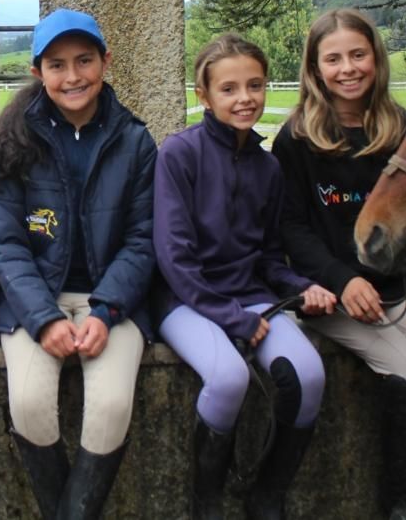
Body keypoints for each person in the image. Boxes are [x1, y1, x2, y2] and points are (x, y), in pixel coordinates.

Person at [272, 9, 406, 520]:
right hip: (332, 295)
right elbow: (292, 228)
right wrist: (343, 280)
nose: (347, 68)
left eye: (357, 55)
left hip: (394, 289)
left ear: (375, 59)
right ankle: (396, 504)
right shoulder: (297, 138)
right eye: (333, 59)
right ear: (315, 70)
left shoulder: (403, 129)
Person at [0, 8, 157, 520]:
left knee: (109, 407)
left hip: (113, 300)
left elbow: (143, 240)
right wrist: (43, 317)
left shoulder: (135, 141)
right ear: (38, 73)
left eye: (84, 60)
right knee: (30, 405)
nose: (73, 75)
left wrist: (105, 311)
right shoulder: (10, 142)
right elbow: (5, 243)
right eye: (57, 65)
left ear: (106, 61)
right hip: (33, 299)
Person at [154, 35, 336, 520]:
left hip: (250, 297)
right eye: (229, 88)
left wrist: (302, 288)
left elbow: (271, 259)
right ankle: (206, 504)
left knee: (309, 375)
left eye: (254, 85)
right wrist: (228, 316)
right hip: (185, 303)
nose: (245, 98)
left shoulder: (269, 166)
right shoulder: (178, 154)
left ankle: (267, 495)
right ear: (204, 96)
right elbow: (174, 257)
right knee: (229, 377)